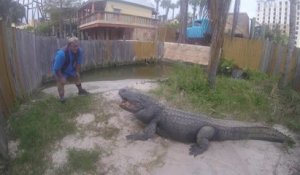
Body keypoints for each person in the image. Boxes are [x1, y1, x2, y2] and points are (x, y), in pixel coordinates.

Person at [52, 37, 88, 103]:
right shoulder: (61, 54)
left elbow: (78, 63)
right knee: (61, 82)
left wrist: (77, 72)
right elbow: (56, 68)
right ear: (69, 46)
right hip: (60, 70)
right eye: (74, 46)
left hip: (69, 68)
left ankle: (80, 91)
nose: (76, 48)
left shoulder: (79, 51)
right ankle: (62, 99)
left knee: (77, 76)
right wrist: (61, 77)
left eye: (77, 46)